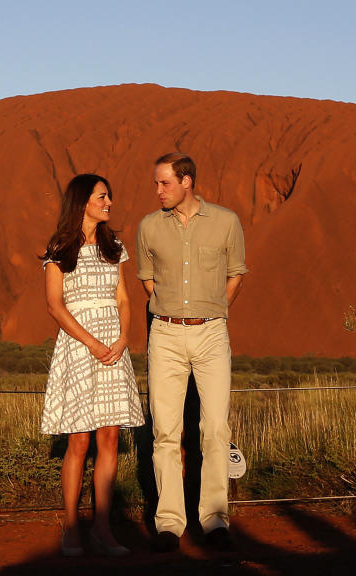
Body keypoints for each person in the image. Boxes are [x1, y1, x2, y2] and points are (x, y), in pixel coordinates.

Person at [136, 152, 247, 552]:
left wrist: (213, 309)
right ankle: (169, 524)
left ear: (187, 181)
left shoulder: (226, 221)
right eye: (156, 182)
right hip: (165, 334)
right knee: (165, 430)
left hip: (212, 333)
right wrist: (173, 313)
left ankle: (215, 520)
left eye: (164, 182)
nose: (158, 190)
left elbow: (236, 273)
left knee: (215, 427)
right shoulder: (149, 226)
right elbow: (148, 281)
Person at [40, 173, 145, 557]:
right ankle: (71, 528)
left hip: (113, 350)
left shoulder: (113, 246)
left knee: (110, 438)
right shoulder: (60, 247)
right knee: (79, 440)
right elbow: (55, 305)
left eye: (109, 197)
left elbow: (123, 299)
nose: (109, 203)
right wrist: (92, 342)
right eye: (103, 196)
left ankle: (103, 527)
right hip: (79, 347)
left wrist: (121, 340)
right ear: (83, 201)